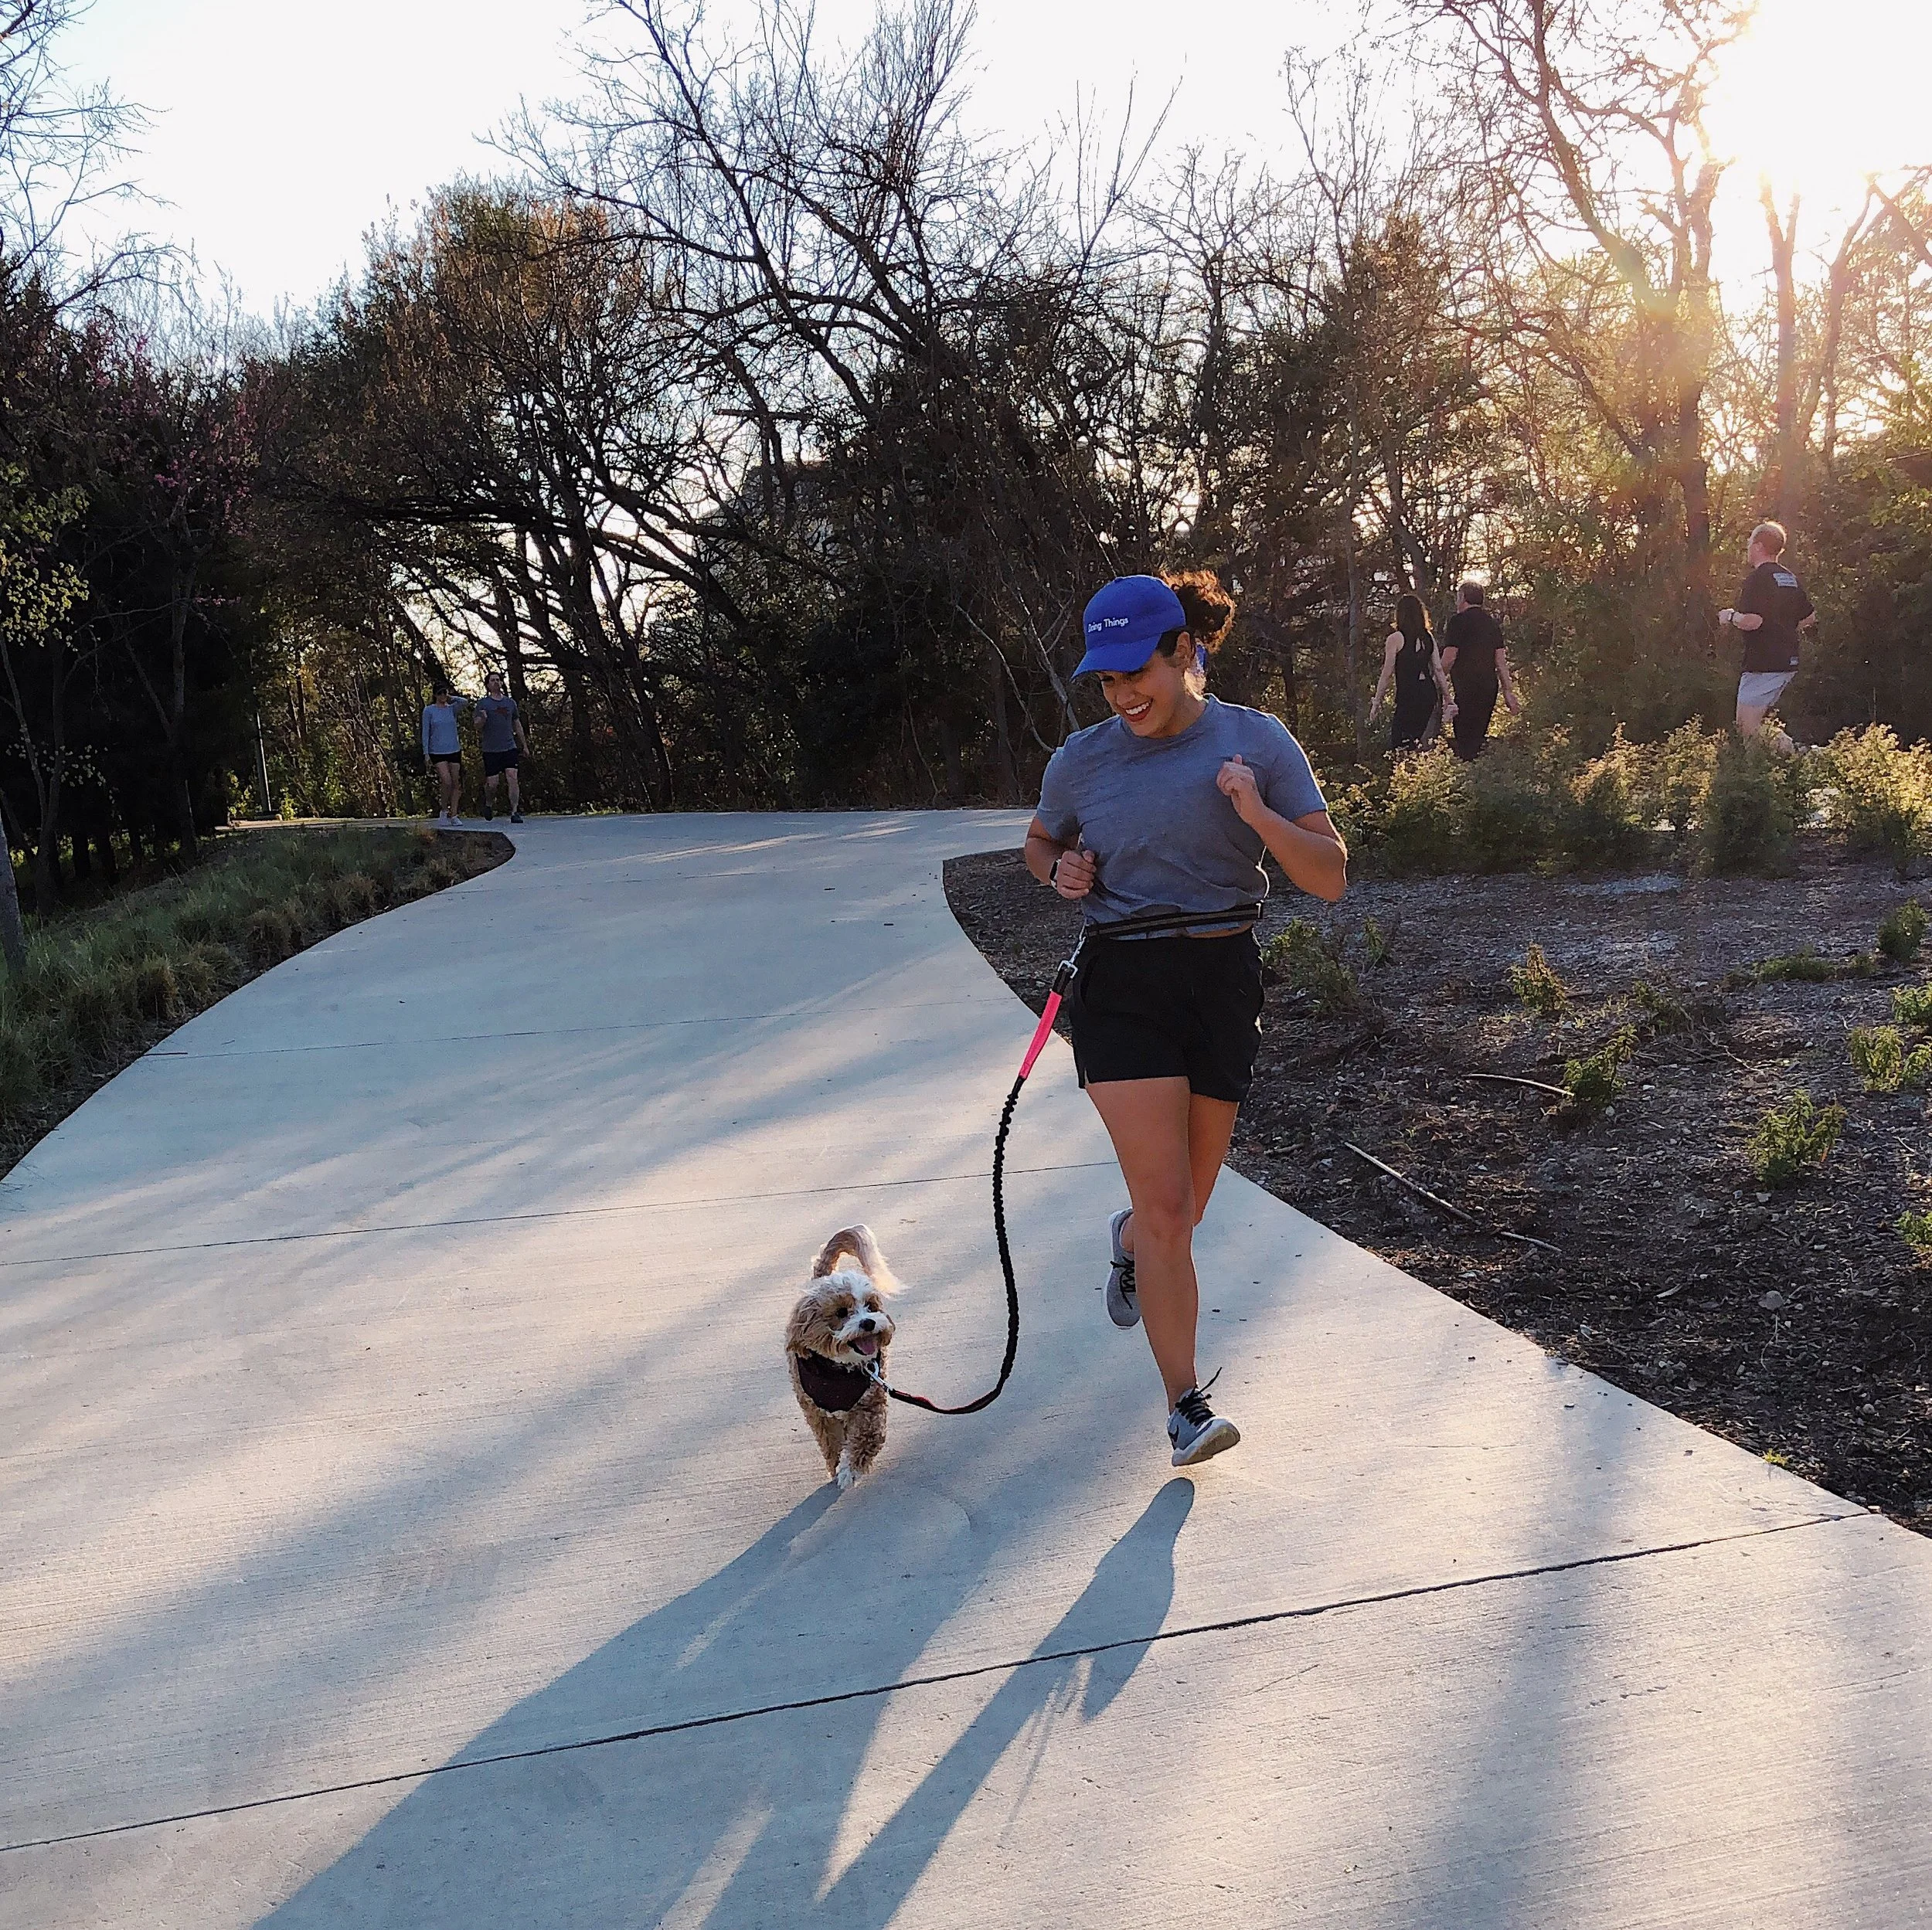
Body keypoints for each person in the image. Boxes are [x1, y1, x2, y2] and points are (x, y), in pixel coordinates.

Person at [1024, 571, 1348, 1469]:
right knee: (1168, 1204)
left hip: (1221, 973)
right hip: (1122, 979)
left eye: (1138, 672)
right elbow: (1039, 839)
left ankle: (1127, 1242)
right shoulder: (1082, 758)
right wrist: (1059, 874)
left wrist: (1253, 810)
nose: (1123, 694)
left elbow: (1329, 874)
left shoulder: (1258, 741)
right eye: (1107, 680)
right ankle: (1184, 1404)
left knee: (1183, 1210)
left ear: (1184, 652)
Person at [1719, 520, 1815, 746]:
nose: (1748, 546)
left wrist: (1731, 616)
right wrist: (1783, 630)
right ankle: (1791, 762)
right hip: (1787, 661)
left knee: (1748, 729)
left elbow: (1753, 621)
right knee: (1756, 726)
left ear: (1759, 546)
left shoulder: (1757, 579)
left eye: (1750, 541)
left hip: (1763, 663)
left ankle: (1804, 756)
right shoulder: (1790, 579)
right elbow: (1810, 617)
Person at [1438, 581, 1520, 760]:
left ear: (1463, 598)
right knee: (1477, 738)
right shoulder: (1492, 624)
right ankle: (1478, 775)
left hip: (1467, 687)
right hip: (1489, 688)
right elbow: (1500, 662)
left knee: (1464, 739)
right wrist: (1508, 692)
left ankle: (1468, 776)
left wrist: (1436, 679)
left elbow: (1450, 656)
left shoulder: (1457, 622)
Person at [1369, 591, 1457, 753]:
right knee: (1414, 738)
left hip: (1408, 694)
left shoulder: (1395, 639)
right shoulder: (1428, 638)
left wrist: (1377, 702)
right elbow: (1437, 669)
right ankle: (1414, 771)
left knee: (1399, 742)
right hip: (1427, 693)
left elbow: (1387, 673)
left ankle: (1404, 772)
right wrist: (1447, 698)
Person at [474, 671, 529, 823]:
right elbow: (477, 726)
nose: (496, 683)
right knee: (493, 784)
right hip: (491, 750)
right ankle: (489, 804)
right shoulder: (483, 704)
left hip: (509, 747)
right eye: (493, 680)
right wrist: (483, 719)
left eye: (498, 680)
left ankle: (514, 812)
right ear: (487, 685)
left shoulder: (510, 703)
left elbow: (517, 724)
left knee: (512, 777)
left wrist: (524, 745)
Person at [420, 682, 468, 825]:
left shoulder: (452, 709)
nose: (443, 696)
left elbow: (465, 702)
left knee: (455, 782)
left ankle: (454, 814)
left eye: (444, 693)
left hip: (453, 749)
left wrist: (451, 697)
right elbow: (425, 732)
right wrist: (426, 753)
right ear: (435, 695)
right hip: (437, 751)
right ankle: (443, 810)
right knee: (446, 781)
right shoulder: (429, 711)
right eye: (440, 693)